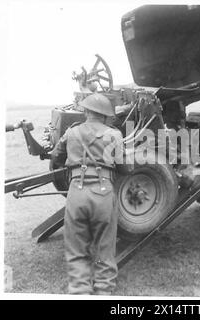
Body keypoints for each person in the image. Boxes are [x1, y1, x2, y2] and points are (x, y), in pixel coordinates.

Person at [51, 93, 127, 295]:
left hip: (76, 193)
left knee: (76, 248)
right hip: (103, 194)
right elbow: (125, 168)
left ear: (85, 111)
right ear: (105, 115)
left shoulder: (71, 132)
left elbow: (56, 157)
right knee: (105, 246)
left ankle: (79, 290)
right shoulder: (115, 135)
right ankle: (103, 290)